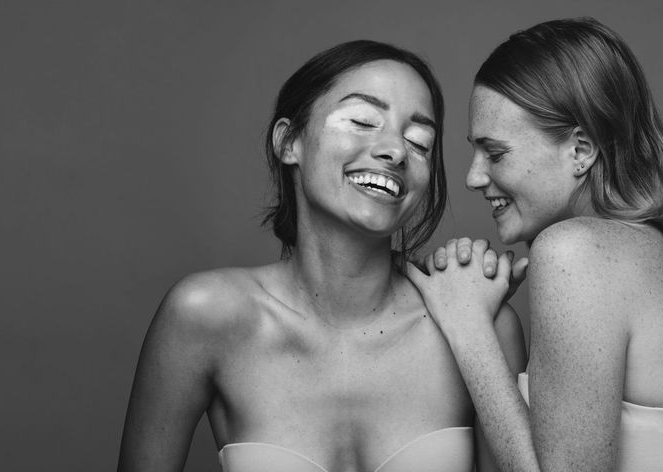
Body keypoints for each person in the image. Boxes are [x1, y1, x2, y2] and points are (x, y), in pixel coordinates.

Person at [117, 40, 526, 472]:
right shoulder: (205, 316)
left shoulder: (481, 323)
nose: (396, 150)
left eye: (419, 142)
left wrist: (474, 326)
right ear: (288, 141)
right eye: (362, 121)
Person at [407, 18, 663, 471]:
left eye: (496, 152)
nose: (474, 177)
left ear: (581, 150)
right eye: (474, 151)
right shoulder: (661, 254)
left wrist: (468, 326)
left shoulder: (574, 250)